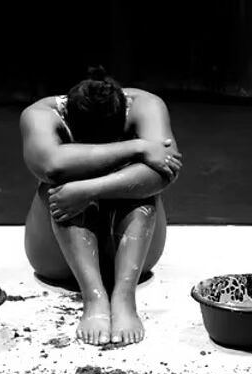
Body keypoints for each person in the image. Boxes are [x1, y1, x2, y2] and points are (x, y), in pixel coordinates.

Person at [19, 66, 183, 347]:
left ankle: (123, 296)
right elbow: (51, 164)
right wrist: (138, 148)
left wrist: (89, 189)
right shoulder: (41, 114)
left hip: (136, 254)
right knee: (60, 182)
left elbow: (165, 173)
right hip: (57, 258)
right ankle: (94, 297)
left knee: (141, 182)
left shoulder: (145, 106)